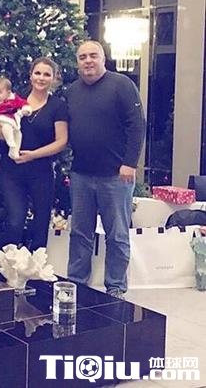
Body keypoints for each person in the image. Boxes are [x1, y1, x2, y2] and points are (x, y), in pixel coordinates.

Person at [66, 41, 146, 298]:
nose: (88, 60)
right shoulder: (72, 91)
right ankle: (77, 282)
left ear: (103, 58)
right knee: (80, 233)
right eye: (82, 57)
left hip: (116, 175)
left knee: (117, 235)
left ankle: (115, 287)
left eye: (93, 55)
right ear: (77, 62)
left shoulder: (122, 85)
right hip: (81, 174)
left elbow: (137, 125)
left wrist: (130, 163)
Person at [0, 58, 68, 250]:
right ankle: (9, 263)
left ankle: (36, 265)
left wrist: (34, 155)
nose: (41, 78)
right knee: (15, 220)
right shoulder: (14, 98)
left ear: (53, 78)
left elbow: (61, 141)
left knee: (41, 224)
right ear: (30, 75)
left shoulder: (58, 106)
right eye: (37, 73)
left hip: (41, 172)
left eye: (46, 74)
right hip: (11, 170)